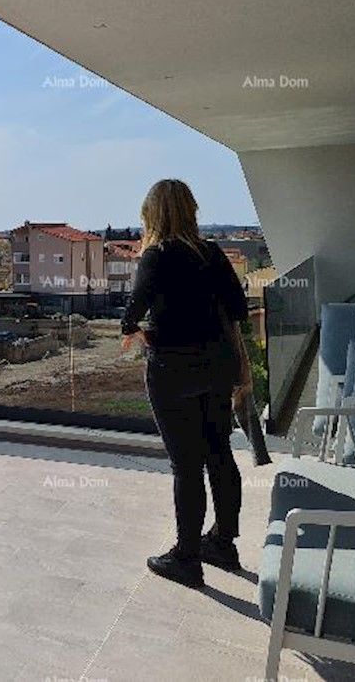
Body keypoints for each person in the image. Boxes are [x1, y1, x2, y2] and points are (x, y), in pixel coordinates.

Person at [120, 179, 251, 587]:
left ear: (152, 214)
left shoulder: (156, 255)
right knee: (220, 456)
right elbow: (239, 308)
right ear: (191, 210)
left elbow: (132, 312)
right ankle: (224, 545)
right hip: (217, 369)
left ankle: (187, 557)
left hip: (173, 371)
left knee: (186, 466)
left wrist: (139, 333)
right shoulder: (211, 252)